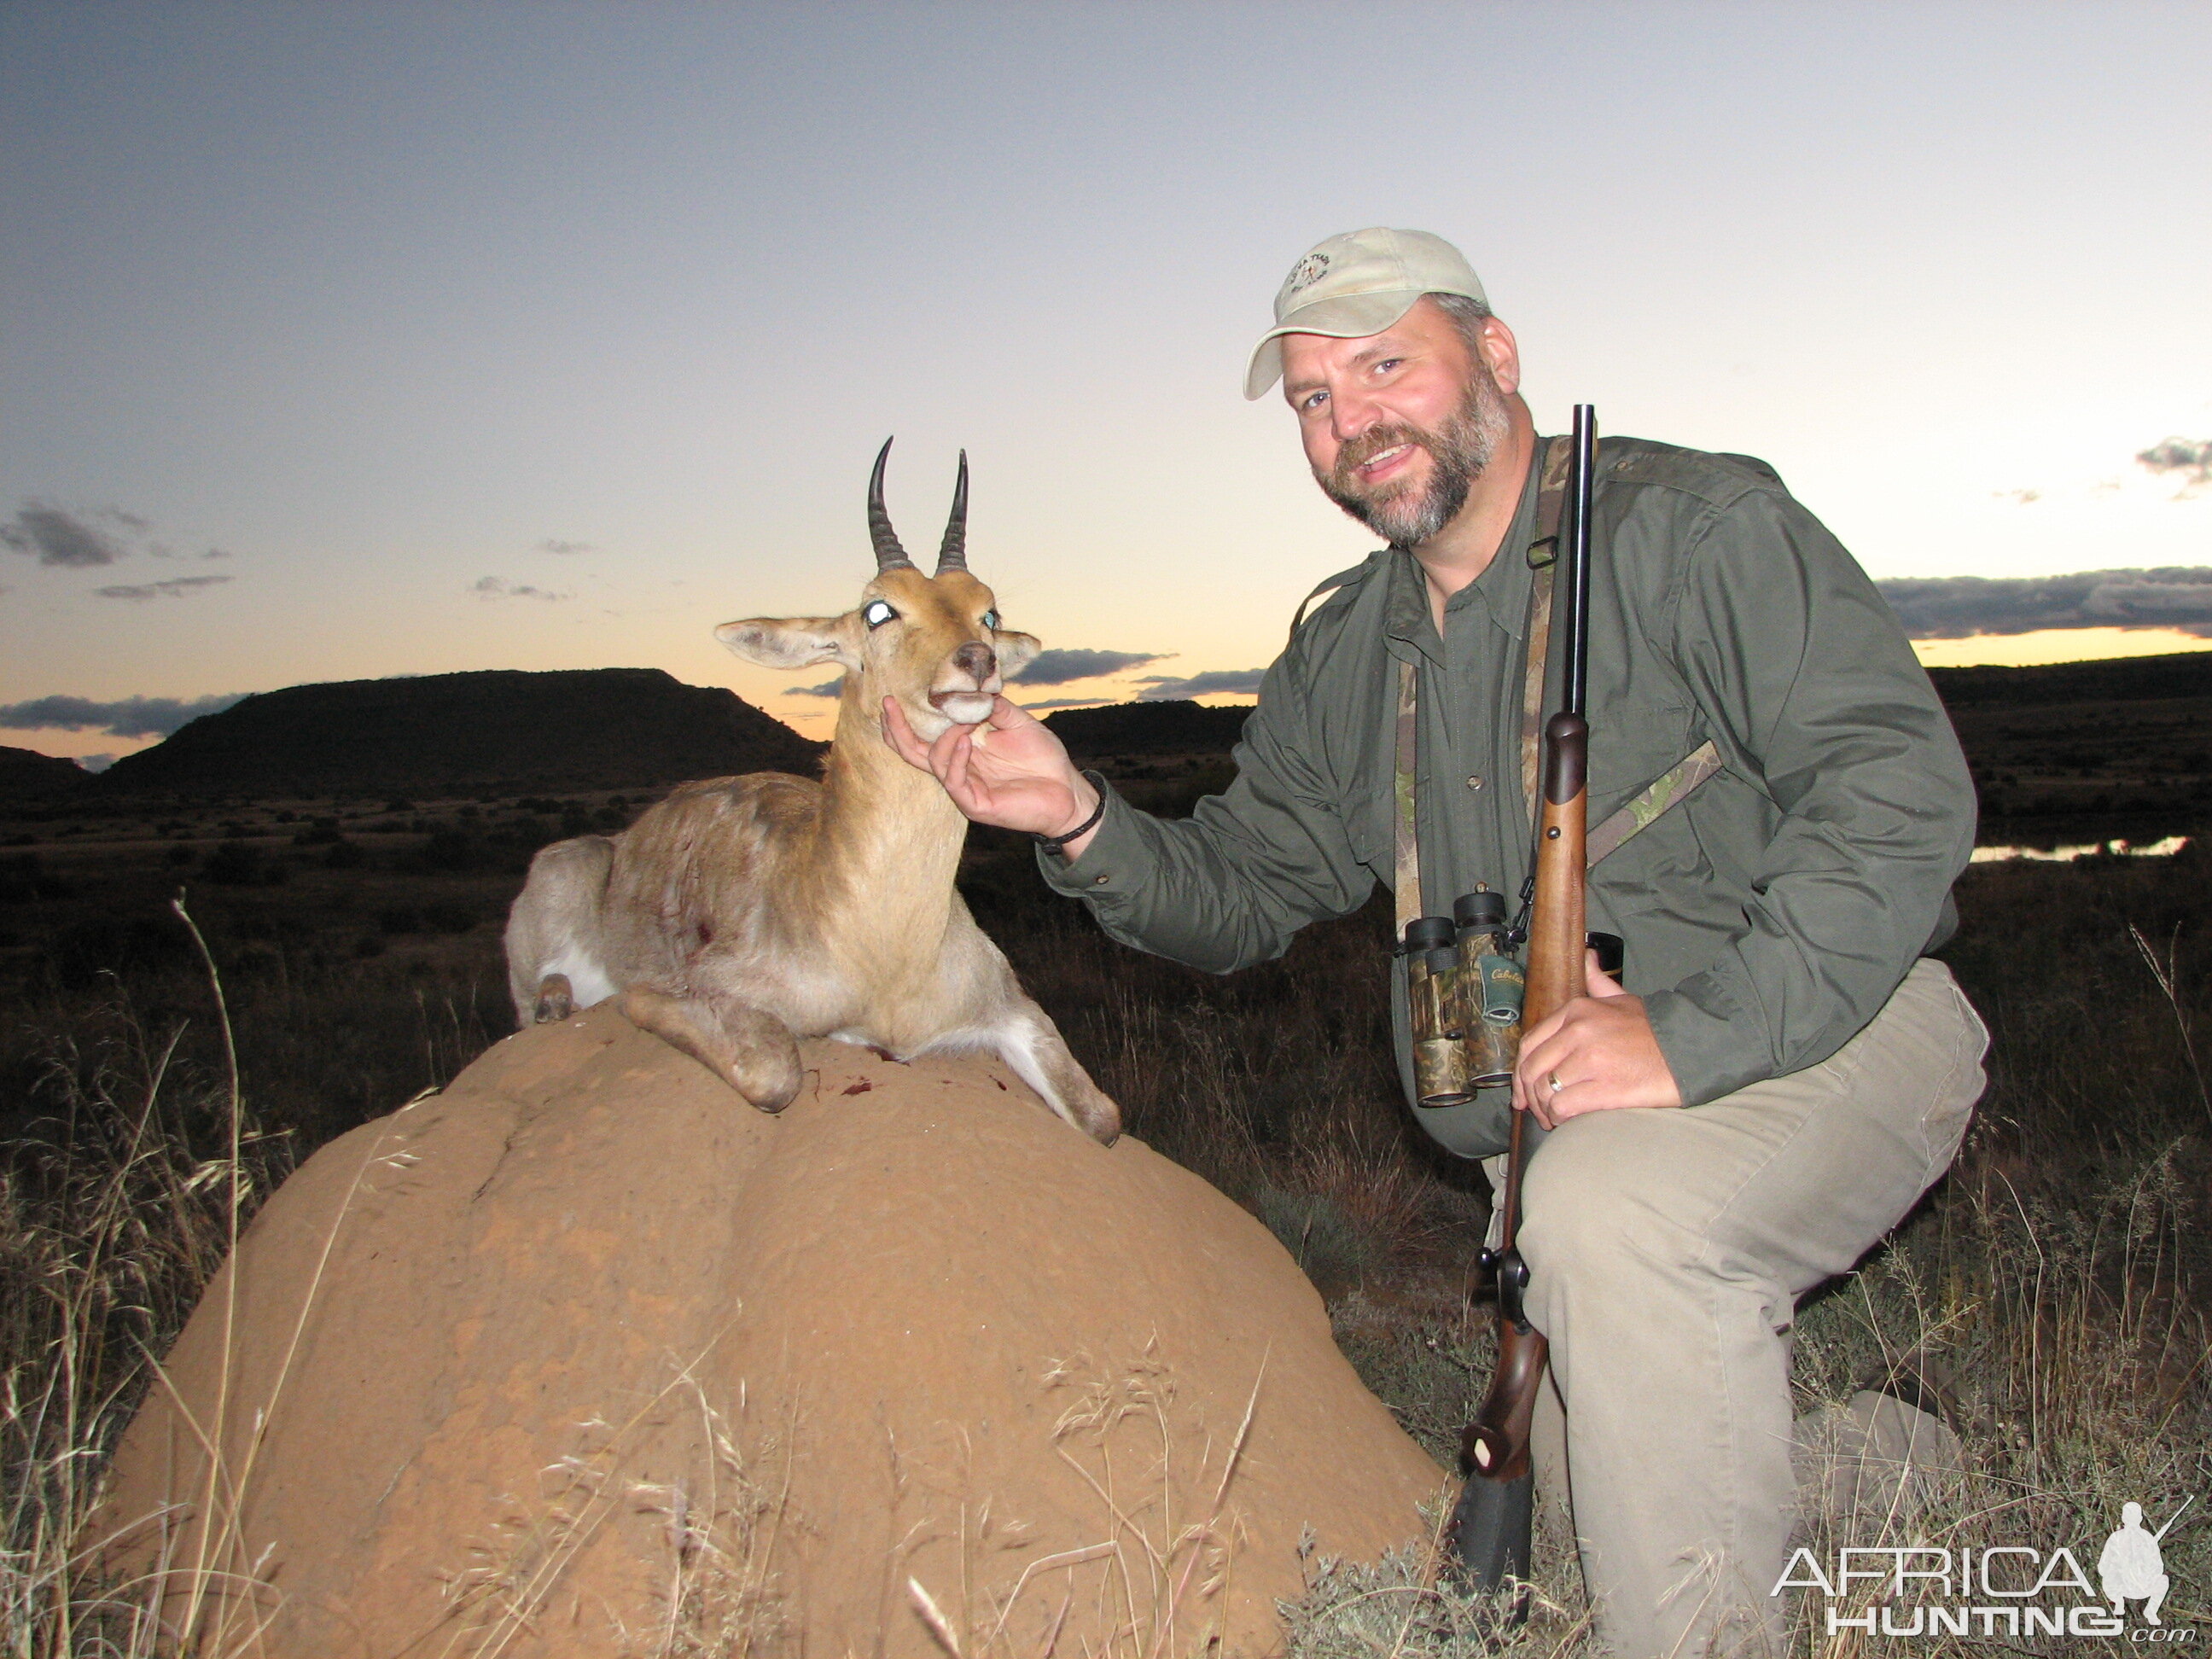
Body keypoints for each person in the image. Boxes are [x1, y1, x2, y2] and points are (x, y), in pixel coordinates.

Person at [883, 226, 1989, 1658]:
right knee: (1610, 1519)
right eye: (1312, 401)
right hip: (1543, 1137)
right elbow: (1244, 888)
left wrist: (1686, 1033)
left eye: (1383, 365)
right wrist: (1083, 813)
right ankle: (1890, 1468)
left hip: (1843, 1030)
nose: (1350, 422)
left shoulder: (1694, 530)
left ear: (1499, 356)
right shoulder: (1349, 646)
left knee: (1615, 1227)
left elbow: (1901, 797)